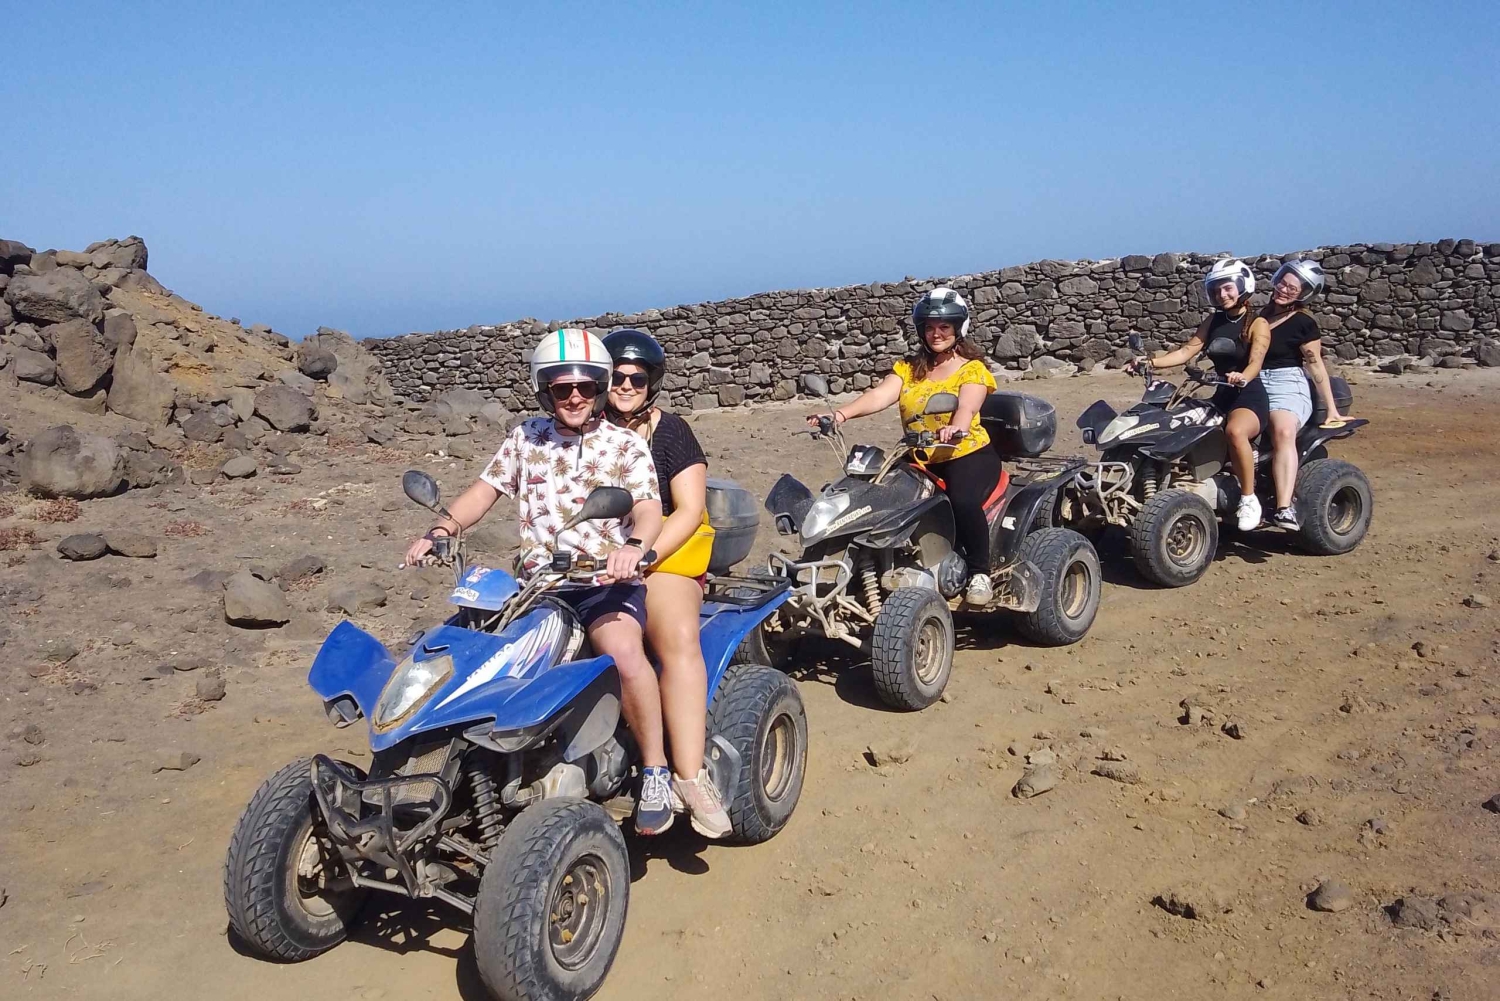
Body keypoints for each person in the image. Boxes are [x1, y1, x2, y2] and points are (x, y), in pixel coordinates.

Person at [402, 329, 678, 835]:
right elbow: (482, 493)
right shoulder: (525, 438)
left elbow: (646, 508)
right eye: (560, 388)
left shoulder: (623, 445)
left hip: (601, 581)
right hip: (535, 586)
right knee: (462, 649)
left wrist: (633, 548)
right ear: (543, 390)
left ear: (599, 389)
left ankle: (657, 771)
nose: (574, 397)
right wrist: (441, 528)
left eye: (586, 388)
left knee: (623, 652)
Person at [601, 327, 731, 839]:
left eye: (636, 377)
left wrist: (646, 554)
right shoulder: (583, 429)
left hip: (666, 555)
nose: (626, 385)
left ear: (651, 382)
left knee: (676, 639)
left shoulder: (670, 432)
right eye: (616, 376)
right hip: (598, 556)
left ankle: (689, 775)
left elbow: (691, 508)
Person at [807, 287, 999, 603]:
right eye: (930, 327)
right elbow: (880, 396)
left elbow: (968, 405)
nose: (936, 333)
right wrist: (840, 414)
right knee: (874, 494)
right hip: (917, 455)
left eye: (944, 327)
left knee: (962, 501)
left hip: (966, 454)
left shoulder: (972, 369)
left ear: (957, 329)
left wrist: (957, 427)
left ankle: (980, 573)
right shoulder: (909, 369)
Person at [1131, 258, 1272, 530]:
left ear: (1243, 286)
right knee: (1176, 419)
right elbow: (1187, 351)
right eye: (1217, 290)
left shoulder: (1258, 323)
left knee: (1235, 432)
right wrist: (1150, 362)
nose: (1223, 294)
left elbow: (1256, 361)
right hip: (1221, 394)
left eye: (1228, 288)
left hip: (1248, 396)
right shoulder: (1214, 320)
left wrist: (1242, 376)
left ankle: (1248, 498)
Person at [1256, 259, 1349, 529]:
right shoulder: (1258, 316)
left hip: (1288, 383)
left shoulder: (1303, 324)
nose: (1284, 289)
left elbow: (1315, 364)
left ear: (1304, 294)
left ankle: (1284, 507)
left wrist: (1331, 408)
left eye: (1293, 288)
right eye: (1283, 282)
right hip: (1254, 381)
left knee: (1283, 430)